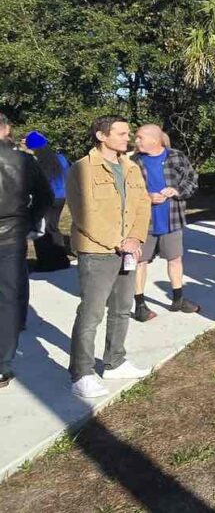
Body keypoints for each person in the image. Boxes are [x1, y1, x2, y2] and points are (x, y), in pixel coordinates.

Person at [66, 115, 152, 399]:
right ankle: (82, 372)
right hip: (98, 252)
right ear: (102, 136)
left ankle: (115, 361)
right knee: (91, 313)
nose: (127, 138)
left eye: (128, 133)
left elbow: (142, 204)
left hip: (128, 249)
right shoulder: (82, 169)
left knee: (121, 308)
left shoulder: (131, 168)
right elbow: (84, 216)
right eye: (121, 133)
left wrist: (135, 238)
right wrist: (119, 242)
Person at [0, 113, 53, 389]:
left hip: (11, 232)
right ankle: (3, 364)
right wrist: (29, 221)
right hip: (11, 235)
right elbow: (45, 196)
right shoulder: (23, 160)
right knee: (9, 297)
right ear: (7, 129)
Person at [130, 124, 200, 322]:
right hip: (144, 222)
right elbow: (125, 191)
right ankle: (140, 305)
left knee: (175, 259)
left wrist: (177, 191)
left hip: (172, 218)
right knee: (140, 261)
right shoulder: (133, 162)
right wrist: (146, 197)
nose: (136, 141)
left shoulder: (176, 156)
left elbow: (192, 179)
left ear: (155, 139)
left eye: (140, 137)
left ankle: (178, 299)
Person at [24, 130, 71, 272]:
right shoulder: (60, 158)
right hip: (61, 197)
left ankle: (46, 263)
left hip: (46, 197)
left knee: (41, 230)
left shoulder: (36, 161)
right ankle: (61, 260)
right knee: (53, 228)